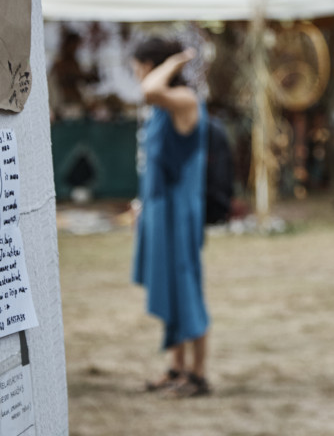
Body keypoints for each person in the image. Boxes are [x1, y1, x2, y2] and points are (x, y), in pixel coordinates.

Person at [130, 37, 211, 398]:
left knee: (185, 285)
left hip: (180, 210)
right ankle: (176, 367)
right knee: (168, 285)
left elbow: (149, 90)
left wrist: (175, 61)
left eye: (137, 66)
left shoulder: (184, 100)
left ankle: (198, 375)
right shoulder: (163, 107)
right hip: (160, 208)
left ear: (151, 66)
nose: (136, 74)